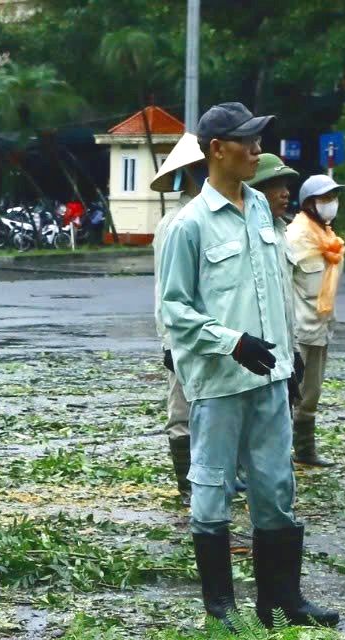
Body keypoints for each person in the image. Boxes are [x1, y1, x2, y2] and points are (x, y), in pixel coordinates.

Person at [155, 101, 333, 627]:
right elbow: (174, 309)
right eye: (248, 142)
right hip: (219, 383)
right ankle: (221, 608)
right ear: (217, 149)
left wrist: (289, 358)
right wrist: (231, 342)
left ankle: (282, 601)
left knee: (276, 488)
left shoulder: (262, 211)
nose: (258, 150)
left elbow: (274, 289)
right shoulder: (189, 225)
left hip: (271, 377)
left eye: (259, 140)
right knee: (211, 493)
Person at [151, 133, 210, 502]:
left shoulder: (215, 216)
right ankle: (187, 485)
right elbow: (165, 290)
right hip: (183, 334)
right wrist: (169, 342)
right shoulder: (174, 223)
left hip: (214, 331)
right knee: (183, 410)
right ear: (189, 172)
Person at [286, 172, 345, 469]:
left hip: (321, 328)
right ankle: (278, 453)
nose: (331, 203)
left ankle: (305, 450)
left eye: (333, 198)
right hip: (298, 331)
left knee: (311, 394)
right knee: (287, 396)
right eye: (325, 198)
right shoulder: (294, 238)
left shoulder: (331, 240)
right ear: (309, 203)